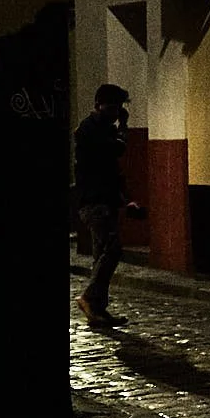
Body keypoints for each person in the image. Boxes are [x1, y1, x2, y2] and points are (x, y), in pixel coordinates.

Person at [74, 83, 140, 328]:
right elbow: (117, 150)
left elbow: (113, 170)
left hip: (105, 199)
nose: (117, 112)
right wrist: (123, 127)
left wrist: (126, 198)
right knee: (112, 249)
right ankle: (90, 298)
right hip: (94, 201)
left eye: (119, 107)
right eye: (113, 107)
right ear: (98, 105)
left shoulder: (102, 128)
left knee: (101, 253)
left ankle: (97, 311)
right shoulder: (90, 130)